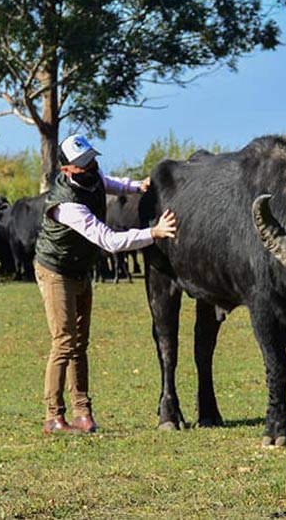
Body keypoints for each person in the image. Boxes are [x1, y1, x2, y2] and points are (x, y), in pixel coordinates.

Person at [35, 134, 178, 434]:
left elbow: (107, 181)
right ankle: (53, 416)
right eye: (82, 164)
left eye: (91, 159)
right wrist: (154, 232)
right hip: (56, 270)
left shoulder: (92, 175)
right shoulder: (67, 206)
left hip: (80, 268)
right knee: (64, 341)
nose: (90, 166)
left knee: (80, 343)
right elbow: (109, 241)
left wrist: (135, 186)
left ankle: (82, 412)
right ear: (66, 171)